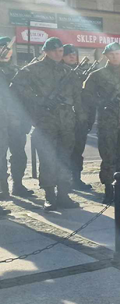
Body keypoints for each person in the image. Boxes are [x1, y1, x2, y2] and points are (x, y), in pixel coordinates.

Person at [10, 37, 84, 211]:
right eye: (54, 51)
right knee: (48, 158)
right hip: (45, 120)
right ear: (45, 51)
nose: (58, 54)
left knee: (64, 158)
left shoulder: (69, 72)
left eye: (60, 51)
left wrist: (81, 118)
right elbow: (16, 87)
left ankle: (64, 195)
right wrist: (38, 100)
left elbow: (78, 96)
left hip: (66, 120)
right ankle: (49, 196)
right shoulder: (32, 70)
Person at [82, 43, 120, 203]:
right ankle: (109, 189)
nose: (115, 57)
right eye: (111, 54)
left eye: (118, 54)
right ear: (106, 56)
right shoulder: (97, 76)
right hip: (107, 122)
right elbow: (86, 96)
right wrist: (103, 102)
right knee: (108, 156)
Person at [0, 37, 33, 199]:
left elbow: (25, 97)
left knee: (19, 154)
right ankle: (2, 189)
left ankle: (18, 185)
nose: (6, 51)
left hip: (17, 121)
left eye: (8, 49)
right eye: (2, 48)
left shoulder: (16, 71)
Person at [61, 45, 95, 192]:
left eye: (74, 54)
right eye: (68, 54)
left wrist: (89, 119)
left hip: (81, 118)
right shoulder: (59, 72)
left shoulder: (83, 73)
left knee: (77, 151)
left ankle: (76, 179)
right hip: (64, 119)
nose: (72, 56)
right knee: (64, 151)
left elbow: (90, 99)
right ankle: (64, 181)